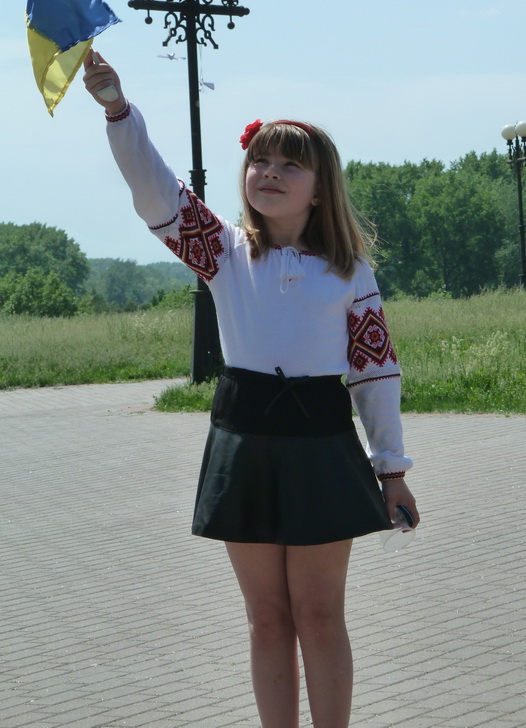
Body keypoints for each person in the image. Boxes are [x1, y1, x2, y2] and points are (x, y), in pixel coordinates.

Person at [83, 50, 419, 728]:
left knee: (319, 615)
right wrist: (118, 110)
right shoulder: (224, 252)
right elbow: (156, 192)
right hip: (244, 442)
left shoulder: (350, 273)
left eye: (290, 164)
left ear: (320, 189)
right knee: (267, 619)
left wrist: (391, 469)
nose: (269, 172)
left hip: (323, 445)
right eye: (260, 160)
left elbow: (375, 373)